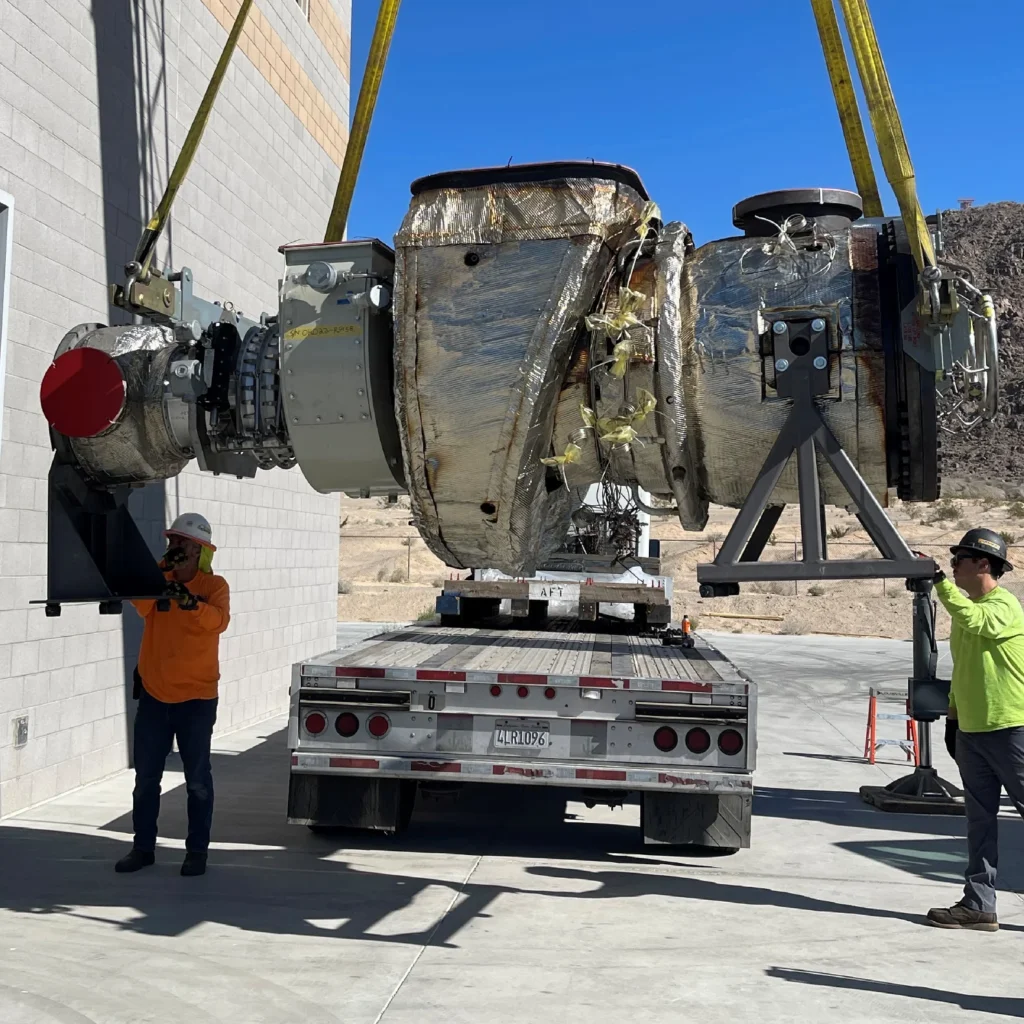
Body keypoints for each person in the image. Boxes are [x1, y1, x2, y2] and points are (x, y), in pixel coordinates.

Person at [115, 513, 230, 877]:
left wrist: (189, 602)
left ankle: (196, 852)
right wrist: (162, 569)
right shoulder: (158, 581)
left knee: (197, 780)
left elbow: (218, 622)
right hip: (154, 697)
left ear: (200, 550)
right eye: (173, 542)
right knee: (146, 779)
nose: (176, 547)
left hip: (196, 700)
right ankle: (142, 848)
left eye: (183, 543)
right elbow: (137, 597)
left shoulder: (215, 587)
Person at [923, 528, 1024, 932]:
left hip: (1010, 728)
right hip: (972, 731)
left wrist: (939, 585)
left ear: (983, 563)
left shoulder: (1003, 606)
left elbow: (973, 618)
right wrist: (952, 717)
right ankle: (979, 904)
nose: (952, 566)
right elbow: (964, 671)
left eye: (957, 561)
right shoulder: (969, 613)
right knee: (979, 820)